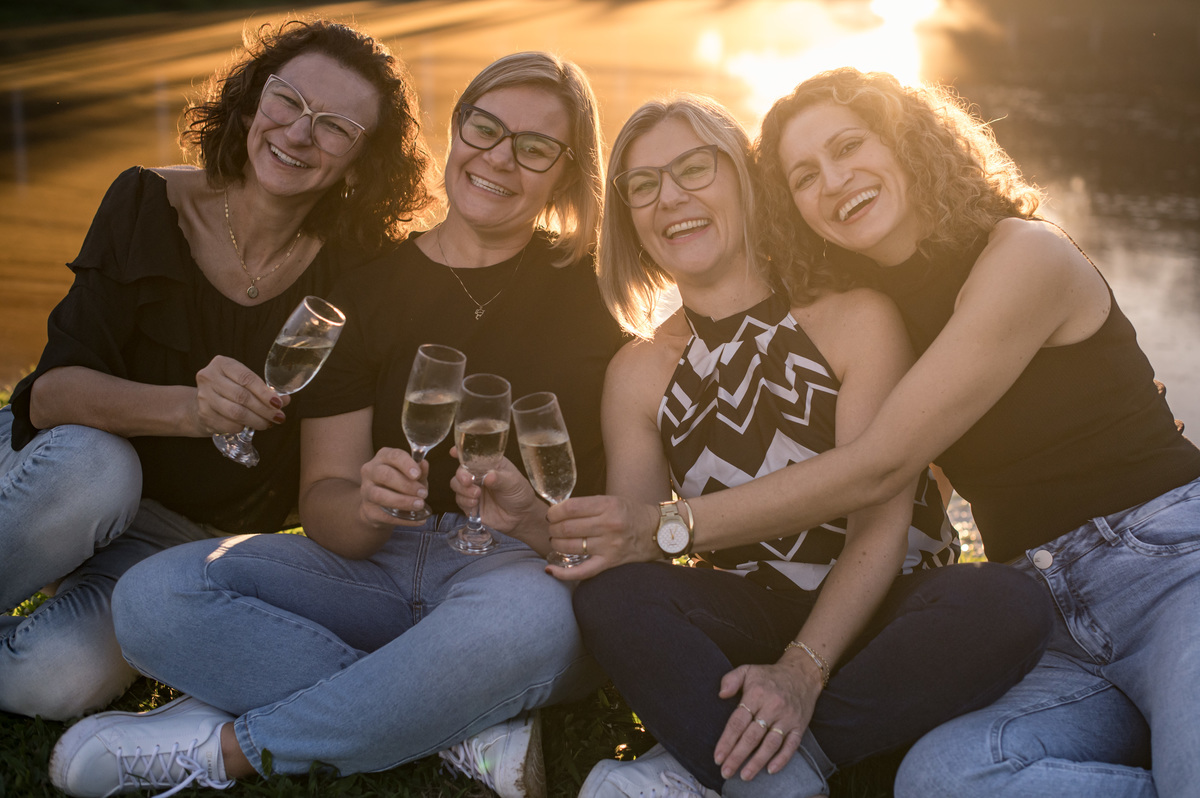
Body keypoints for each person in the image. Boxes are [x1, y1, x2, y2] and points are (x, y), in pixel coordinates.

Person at [49, 52, 625, 798]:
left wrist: (532, 523)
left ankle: (225, 749)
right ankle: (454, 713)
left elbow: (610, 533)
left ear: (567, 175)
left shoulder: (602, 293)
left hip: (515, 573)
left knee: (540, 621)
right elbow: (325, 502)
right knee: (151, 600)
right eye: (484, 128)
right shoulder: (367, 288)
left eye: (535, 147)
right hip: (375, 570)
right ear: (457, 130)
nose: (499, 159)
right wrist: (363, 504)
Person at [458, 94, 1054, 798]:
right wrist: (530, 519)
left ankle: (743, 767)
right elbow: (634, 540)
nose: (669, 197)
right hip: (749, 615)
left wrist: (804, 669)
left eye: (693, 169)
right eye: (643, 185)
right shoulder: (640, 370)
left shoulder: (852, 316)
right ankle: (784, 770)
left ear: (744, 179)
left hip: (890, 609)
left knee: (1006, 601)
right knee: (619, 598)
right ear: (629, 218)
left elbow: (881, 521)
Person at [740, 67, 1200, 797]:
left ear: (906, 141)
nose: (833, 180)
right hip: (1044, 616)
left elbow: (881, 465)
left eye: (850, 144)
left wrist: (665, 527)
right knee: (943, 777)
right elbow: (899, 499)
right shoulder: (873, 318)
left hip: (1172, 570)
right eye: (803, 175)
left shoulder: (1024, 256)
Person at [0, 19, 431, 721]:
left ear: (359, 163)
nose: (297, 133)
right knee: (101, 469)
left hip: (173, 542)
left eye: (334, 128)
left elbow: (328, 480)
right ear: (253, 102)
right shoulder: (146, 203)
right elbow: (47, 400)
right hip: (59, 477)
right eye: (287, 101)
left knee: (52, 682)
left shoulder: (355, 281)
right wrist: (190, 412)